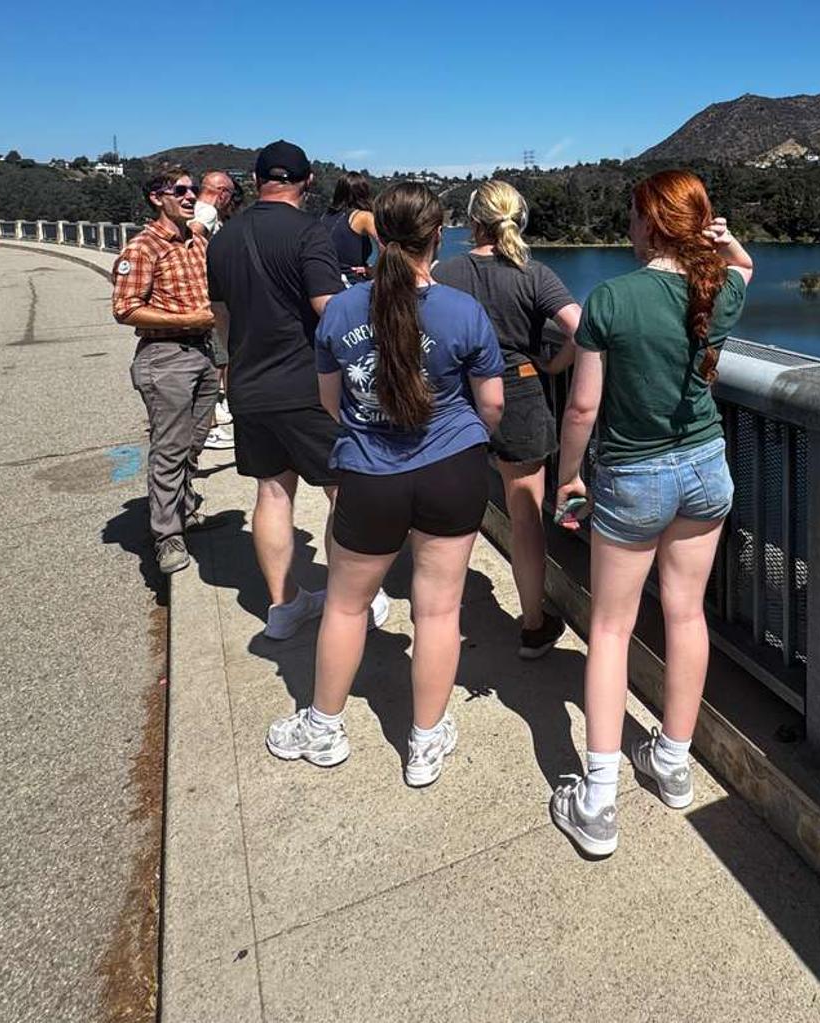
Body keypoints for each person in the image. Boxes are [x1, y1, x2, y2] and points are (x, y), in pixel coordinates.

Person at [265, 182, 504, 788]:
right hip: (453, 471)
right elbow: (493, 406)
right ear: (439, 233)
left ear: (378, 233)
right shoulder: (462, 312)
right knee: (439, 609)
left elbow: (328, 402)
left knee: (345, 605)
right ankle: (425, 743)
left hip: (370, 473)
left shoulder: (341, 310)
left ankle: (323, 727)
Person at [548, 170, 753, 856]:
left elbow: (582, 407)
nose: (627, 228)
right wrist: (725, 239)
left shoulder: (611, 298)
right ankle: (672, 762)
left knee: (610, 628)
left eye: (633, 217)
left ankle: (599, 802)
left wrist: (569, 475)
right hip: (704, 468)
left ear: (649, 224)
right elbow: (745, 269)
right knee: (686, 613)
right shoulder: (715, 287)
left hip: (633, 478)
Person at [205, 141, 389, 639]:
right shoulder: (309, 233)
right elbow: (330, 307)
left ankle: (284, 606)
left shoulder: (221, 239)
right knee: (343, 491)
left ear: (257, 181)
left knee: (271, 492)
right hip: (307, 384)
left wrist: (235, 362)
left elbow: (221, 318)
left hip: (248, 383)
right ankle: (354, 600)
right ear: (307, 182)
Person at [433, 180, 581, 659]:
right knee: (524, 520)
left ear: (473, 221)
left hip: (457, 395)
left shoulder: (445, 272)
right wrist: (555, 366)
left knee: (452, 510)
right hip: (518, 391)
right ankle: (534, 624)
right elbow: (583, 328)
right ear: (519, 220)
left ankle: (437, 614)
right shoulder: (534, 273)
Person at [112, 167, 222, 575]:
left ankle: (184, 504)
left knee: (194, 441)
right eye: (181, 190)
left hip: (202, 354)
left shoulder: (197, 241)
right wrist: (190, 319)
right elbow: (125, 309)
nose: (192, 195)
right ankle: (167, 536)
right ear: (158, 198)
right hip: (165, 357)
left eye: (193, 189)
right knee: (170, 447)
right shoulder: (142, 248)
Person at [190, 170, 240, 452]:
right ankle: (208, 426)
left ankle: (209, 417)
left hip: (203, 296)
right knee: (218, 356)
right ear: (221, 193)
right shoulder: (207, 212)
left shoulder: (196, 208)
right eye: (229, 195)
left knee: (213, 359)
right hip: (211, 298)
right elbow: (193, 238)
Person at [324, 172, 378, 286]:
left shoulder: (326, 216)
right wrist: (374, 270)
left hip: (326, 279)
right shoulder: (363, 217)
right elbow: (387, 245)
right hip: (351, 283)